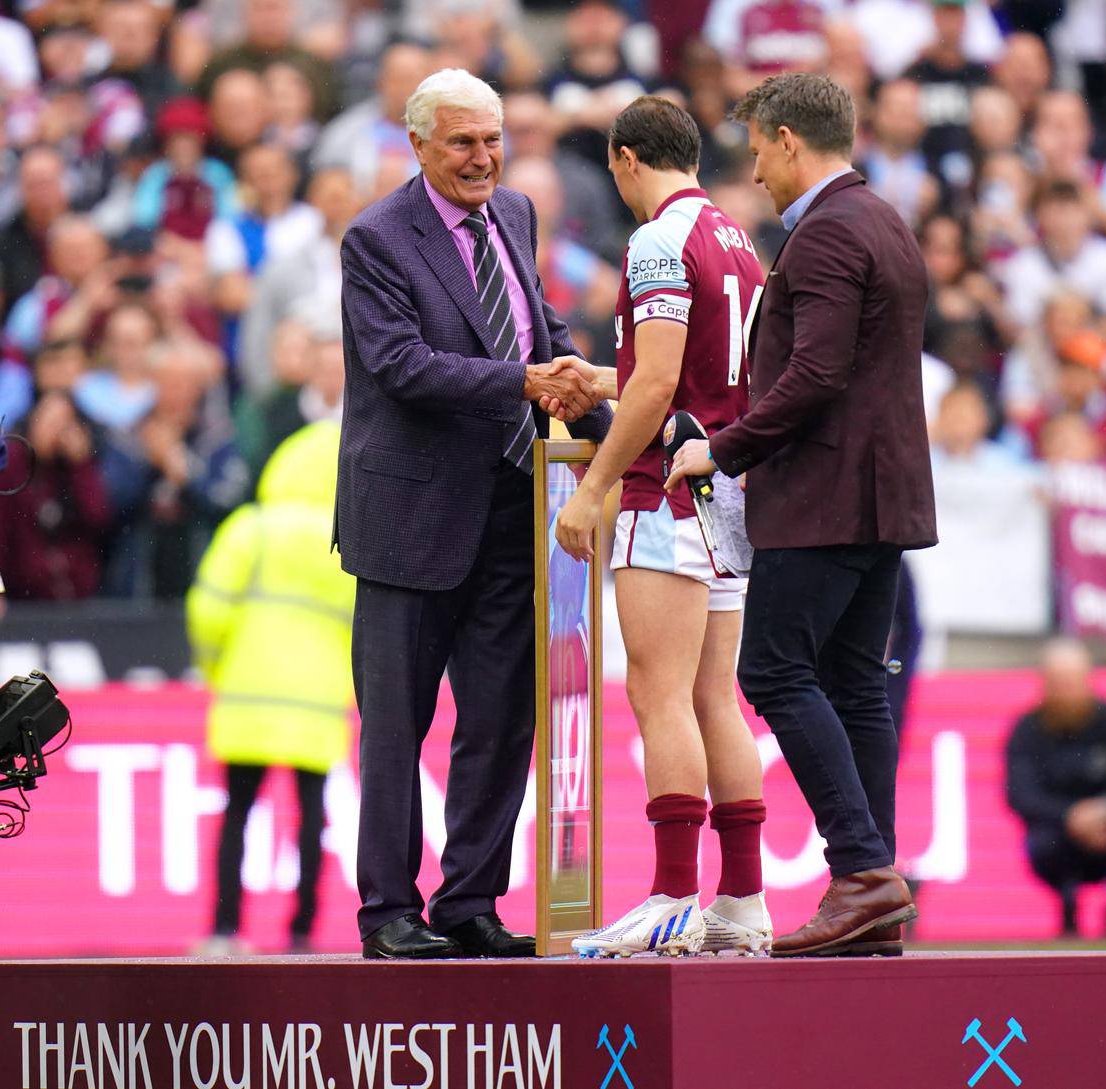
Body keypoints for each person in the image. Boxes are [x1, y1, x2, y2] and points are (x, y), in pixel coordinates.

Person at [338, 68, 610, 960]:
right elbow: (402, 365)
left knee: (501, 716)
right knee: (397, 725)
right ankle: (387, 912)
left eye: (492, 139)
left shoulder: (518, 215)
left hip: (514, 503)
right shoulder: (376, 239)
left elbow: (539, 332)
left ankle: (469, 902)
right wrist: (525, 381)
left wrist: (619, 429)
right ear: (418, 146)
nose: (483, 157)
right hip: (410, 520)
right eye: (462, 142)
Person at [667, 73, 936, 958]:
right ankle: (875, 892)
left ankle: (861, 870)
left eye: (756, 149)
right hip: (884, 496)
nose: (756, 170)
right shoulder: (885, 220)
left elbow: (814, 376)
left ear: (788, 140)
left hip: (822, 497)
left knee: (777, 671)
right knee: (857, 685)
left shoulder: (823, 234)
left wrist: (726, 446)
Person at [552, 96, 773, 957]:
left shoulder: (655, 240)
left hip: (663, 489)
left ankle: (674, 894)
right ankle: (743, 899)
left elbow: (660, 385)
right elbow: (694, 379)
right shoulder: (736, 239)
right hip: (727, 486)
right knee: (717, 695)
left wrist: (593, 486)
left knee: (658, 690)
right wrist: (602, 378)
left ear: (625, 161)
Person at [187, 421, 353, 956]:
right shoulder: (349, 540)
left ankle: (224, 929)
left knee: (237, 813)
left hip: (246, 699)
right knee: (312, 818)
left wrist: (216, 669)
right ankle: (302, 931)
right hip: (319, 705)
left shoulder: (250, 528)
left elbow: (207, 609)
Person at [1006, 640, 1106, 938]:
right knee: (1040, 838)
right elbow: (1019, 794)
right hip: (1059, 836)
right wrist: (1071, 817)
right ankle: (1067, 901)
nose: (1067, 693)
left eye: (1072, 682)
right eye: (1059, 683)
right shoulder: (1027, 731)